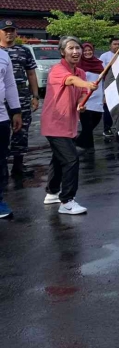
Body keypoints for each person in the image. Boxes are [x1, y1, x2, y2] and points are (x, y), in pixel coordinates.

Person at [41, 36, 99, 215]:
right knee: (71, 159)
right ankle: (66, 201)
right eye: (71, 48)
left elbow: (81, 93)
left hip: (70, 123)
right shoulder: (57, 70)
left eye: (78, 48)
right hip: (54, 122)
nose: (76, 52)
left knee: (59, 159)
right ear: (62, 52)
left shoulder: (80, 71)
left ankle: (52, 193)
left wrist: (81, 103)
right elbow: (71, 81)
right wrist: (88, 84)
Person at [0, 20, 40, 178]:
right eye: (5, 30)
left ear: (16, 32)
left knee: (21, 131)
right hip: (2, 99)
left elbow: (31, 73)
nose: (9, 33)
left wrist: (35, 96)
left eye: (12, 30)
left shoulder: (23, 50)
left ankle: (18, 165)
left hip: (21, 97)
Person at [0, 47, 22, 219]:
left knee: (0, 161)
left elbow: (9, 85)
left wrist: (16, 110)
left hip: (1, 118)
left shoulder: (3, 55)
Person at [75, 43, 105, 151]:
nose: (87, 52)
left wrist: (104, 95)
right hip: (85, 99)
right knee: (87, 126)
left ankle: (77, 141)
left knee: (95, 121)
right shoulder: (78, 65)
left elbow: (103, 81)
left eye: (89, 50)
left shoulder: (98, 64)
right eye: (85, 51)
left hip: (98, 98)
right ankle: (89, 149)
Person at [100, 37, 119, 137]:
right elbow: (101, 73)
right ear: (110, 45)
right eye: (115, 44)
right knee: (108, 109)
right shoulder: (104, 56)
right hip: (109, 86)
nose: (117, 46)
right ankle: (107, 128)